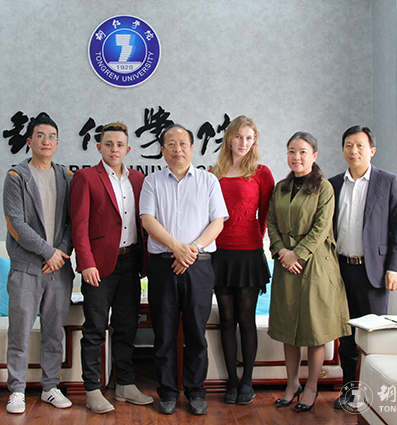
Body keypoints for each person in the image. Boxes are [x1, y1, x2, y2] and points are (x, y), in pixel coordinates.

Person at [139, 124, 229, 416]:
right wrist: (176, 247)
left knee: (196, 334)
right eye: (171, 144)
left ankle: (196, 392)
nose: (177, 149)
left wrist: (192, 250)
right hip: (163, 266)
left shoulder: (208, 181)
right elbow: (148, 220)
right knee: (164, 333)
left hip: (199, 266)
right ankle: (167, 392)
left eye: (183, 144)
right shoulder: (152, 182)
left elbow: (217, 221)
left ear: (192, 148)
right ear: (162, 150)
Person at [70, 122, 153, 414]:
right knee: (95, 328)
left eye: (119, 145)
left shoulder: (138, 179)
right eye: (108, 144)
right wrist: (86, 263)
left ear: (127, 149)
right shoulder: (85, 177)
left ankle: (125, 384)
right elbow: (79, 226)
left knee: (126, 326)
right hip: (98, 266)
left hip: (131, 262)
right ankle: (92, 389)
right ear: (99, 147)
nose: (114, 149)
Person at [267, 131, 351, 413]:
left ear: (314, 156)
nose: (296, 157)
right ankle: (292, 384)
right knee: (288, 328)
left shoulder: (324, 188)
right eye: (291, 151)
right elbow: (271, 223)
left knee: (315, 329)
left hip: (315, 265)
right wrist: (282, 252)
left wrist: (297, 253)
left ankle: (312, 386)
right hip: (286, 265)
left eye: (303, 152)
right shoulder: (280, 188)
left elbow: (321, 227)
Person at [329, 125, 397, 410]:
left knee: (373, 336)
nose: (354, 151)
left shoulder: (388, 181)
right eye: (349, 145)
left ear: (371, 150)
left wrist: (395, 268)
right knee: (346, 336)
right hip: (340, 270)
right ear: (343, 149)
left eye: (360, 145)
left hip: (373, 271)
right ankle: (349, 391)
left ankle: (372, 395)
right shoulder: (333, 184)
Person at [2, 112, 74, 414]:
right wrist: (48, 252)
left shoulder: (67, 177)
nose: (46, 141)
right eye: (40, 136)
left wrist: (60, 253)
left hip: (59, 270)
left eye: (52, 137)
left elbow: (74, 221)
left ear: (57, 143)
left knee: (54, 331)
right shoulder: (16, 176)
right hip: (27, 268)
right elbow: (16, 223)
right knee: (19, 332)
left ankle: (50, 387)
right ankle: (17, 390)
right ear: (29, 141)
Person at [209, 115, 274, 405]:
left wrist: (254, 238)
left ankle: (247, 381)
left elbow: (266, 213)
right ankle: (232, 382)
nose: (243, 143)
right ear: (229, 139)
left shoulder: (261, 172)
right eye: (238, 137)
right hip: (219, 254)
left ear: (254, 140)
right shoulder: (214, 172)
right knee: (226, 319)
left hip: (248, 255)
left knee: (246, 319)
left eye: (248, 137)